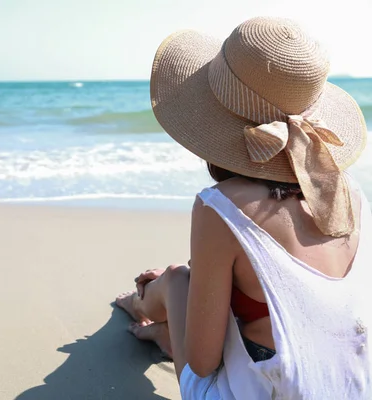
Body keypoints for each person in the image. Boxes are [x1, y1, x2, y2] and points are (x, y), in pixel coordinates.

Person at [115, 16, 371, 399]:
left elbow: (203, 364)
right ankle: (157, 320)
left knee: (179, 278)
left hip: (265, 390)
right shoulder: (349, 194)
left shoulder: (219, 207)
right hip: (353, 387)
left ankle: (142, 304)